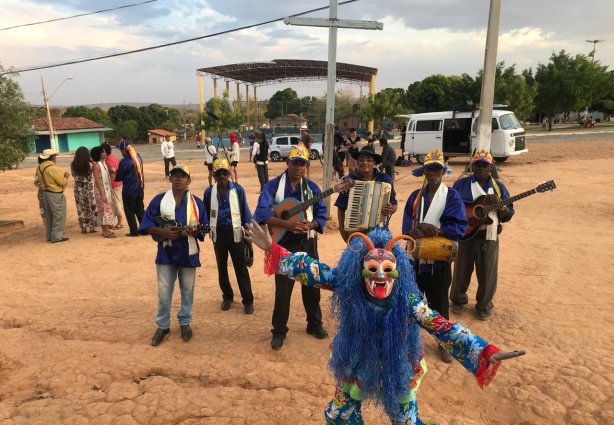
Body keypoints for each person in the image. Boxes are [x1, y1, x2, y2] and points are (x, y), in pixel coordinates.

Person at [243, 222, 525, 425]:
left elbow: (444, 327)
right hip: (357, 363)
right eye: (373, 268)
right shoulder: (347, 283)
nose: (381, 276)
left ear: (397, 271)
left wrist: (485, 351)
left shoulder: (409, 301)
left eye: (388, 270)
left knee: (404, 420)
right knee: (338, 415)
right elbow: (312, 271)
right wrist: (272, 247)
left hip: (398, 368)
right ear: (361, 269)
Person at [253, 142, 328, 350]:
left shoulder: (312, 188)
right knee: (283, 290)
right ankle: (278, 331)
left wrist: (311, 224)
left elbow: (322, 213)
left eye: (303, 164)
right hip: (283, 244)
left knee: (312, 285)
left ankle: (314, 324)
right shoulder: (272, 187)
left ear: (307, 165)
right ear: (287, 162)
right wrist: (288, 225)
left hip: (308, 242)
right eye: (295, 162)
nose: (299, 167)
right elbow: (260, 214)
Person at [402, 149, 467, 362]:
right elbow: (406, 230)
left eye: (437, 169)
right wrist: (418, 229)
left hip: (438, 263)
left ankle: (444, 343)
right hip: (414, 262)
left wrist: (437, 230)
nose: (433, 173)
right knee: (411, 303)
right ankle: (409, 343)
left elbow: (459, 228)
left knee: (439, 305)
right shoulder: (414, 197)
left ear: (442, 171)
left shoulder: (452, 196)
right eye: (429, 169)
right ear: (424, 172)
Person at [140, 164, 207, 346]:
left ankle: (185, 321)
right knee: (163, 292)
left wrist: (193, 231)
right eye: (175, 175)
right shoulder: (159, 201)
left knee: (187, 291)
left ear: (189, 180)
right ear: (170, 179)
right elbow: (145, 226)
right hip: (166, 254)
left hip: (188, 254)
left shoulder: (197, 204)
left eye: (183, 176)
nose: (179, 178)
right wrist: (164, 233)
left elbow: (203, 229)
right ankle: (162, 325)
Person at [450, 149, 515, 320]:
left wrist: (501, 206)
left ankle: (484, 304)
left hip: (489, 234)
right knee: (461, 269)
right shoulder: (461, 184)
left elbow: (508, 214)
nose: (480, 169)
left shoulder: (498, 187)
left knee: (488, 272)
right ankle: (457, 298)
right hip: (466, 232)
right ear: (472, 166)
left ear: (491, 166)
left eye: (484, 166)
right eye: (477, 165)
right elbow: (452, 206)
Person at [203, 159, 254, 314]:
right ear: (214, 176)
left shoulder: (237, 190)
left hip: (235, 232)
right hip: (218, 234)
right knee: (221, 267)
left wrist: (248, 236)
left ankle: (248, 300)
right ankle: (227, 296)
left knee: (241, 267)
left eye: (225, 173)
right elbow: (205, 213)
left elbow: (245, 212)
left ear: (229, 174)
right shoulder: (208, 192)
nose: (222, 177)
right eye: (219, 174)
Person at [335, 144, 397, 242]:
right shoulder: (349, 180)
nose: (365, 163)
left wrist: (391, 209)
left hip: (380, 232)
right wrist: (343, 231)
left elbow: (394, 204)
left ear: (374, 163)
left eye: (369, 160)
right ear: (357, 162)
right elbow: (341, 208)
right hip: (356, 233)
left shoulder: (385, 179)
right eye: (361, 160)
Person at [35, 148, 70, 243]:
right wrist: (66, 177)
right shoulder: (52, 168)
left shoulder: (39, 168)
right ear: (52, 157)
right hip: (55, 193)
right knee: (59, 216)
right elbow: (62, 182)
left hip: (45, 193)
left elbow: (36, 182)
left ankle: (50, 236)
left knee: (49, 216)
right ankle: (57, 236)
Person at [114, 140, 145, 237]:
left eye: (121, 150)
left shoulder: (124, 162)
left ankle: (134, 231)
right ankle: (145, 229)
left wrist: (114, 172)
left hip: (129, 190)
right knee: (140, 210)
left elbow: (119, 177)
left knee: (130, 212)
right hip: (139, 188)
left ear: (124, 151)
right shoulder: (138, 157)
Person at [70, 146, 98, 234]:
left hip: (78, 188)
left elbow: (73, 175)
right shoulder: (91, 164)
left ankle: (83, 228)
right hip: (88, 188)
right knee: (91, 206)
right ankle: (92, 227)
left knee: (80, 208)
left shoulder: (73, 165)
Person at [91, 146, 116, 238]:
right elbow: (97, 181)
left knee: (107, 209)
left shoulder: (103, 163)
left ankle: (106, 229)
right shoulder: (97, 165)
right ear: (99, 154)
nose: (105, 153)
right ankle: (105, 231)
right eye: (103, 152)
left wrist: (111, 172)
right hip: (101, 191)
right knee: (103, 210)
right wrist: (102, 194)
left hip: (107, 190)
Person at [102, 143, 124, 230]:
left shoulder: (108, 161)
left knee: (116, 203)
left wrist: (112, 173)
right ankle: (114, 221)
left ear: (104, 151)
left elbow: (113, 170)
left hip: (113, 184)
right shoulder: (113, 157)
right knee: (114, 203)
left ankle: (120, 222)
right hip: (117, 183)